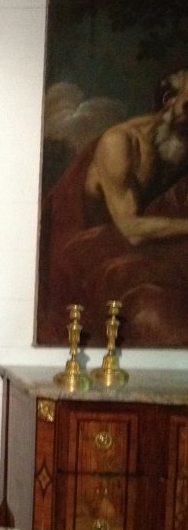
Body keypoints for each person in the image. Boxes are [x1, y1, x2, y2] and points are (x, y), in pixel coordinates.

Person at [39, 68, 188, 345]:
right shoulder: (121, 143)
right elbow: (132, 229)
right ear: (169, 100)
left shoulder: (180, 142)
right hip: (89, 253)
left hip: (141, 251)